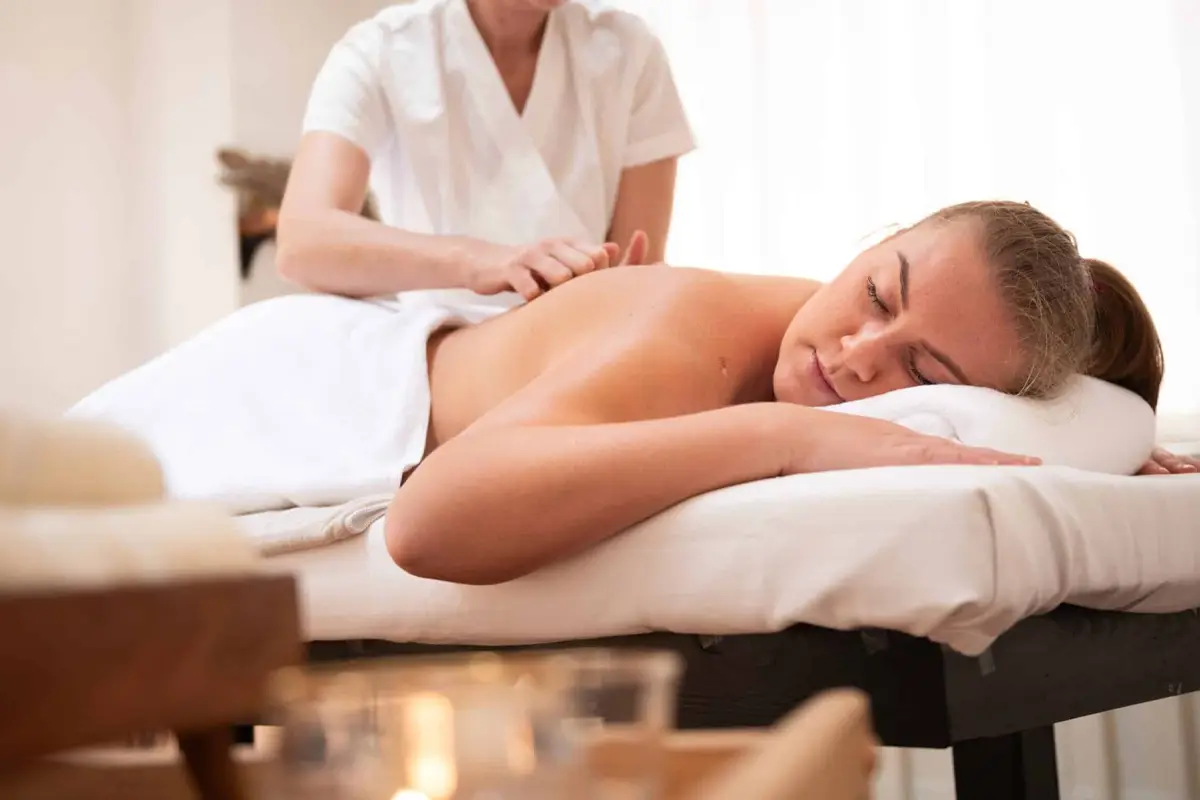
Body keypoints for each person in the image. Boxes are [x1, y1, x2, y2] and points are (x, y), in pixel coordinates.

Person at [383, 200, 1199, 584]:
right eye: (879, 295)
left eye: (923, 373)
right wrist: (786, 436)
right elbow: (425, 525)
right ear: (874, 241)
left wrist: (1105, 442)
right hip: (316, 376)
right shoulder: (688, 330)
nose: (856, 356)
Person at [277, 0, 693, 308]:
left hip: (579, 350)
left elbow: (640, 265)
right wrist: (480, 261)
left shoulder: (630, 51)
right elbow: (304, 240)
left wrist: (626, 296)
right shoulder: (381, 51)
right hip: (446, 356)